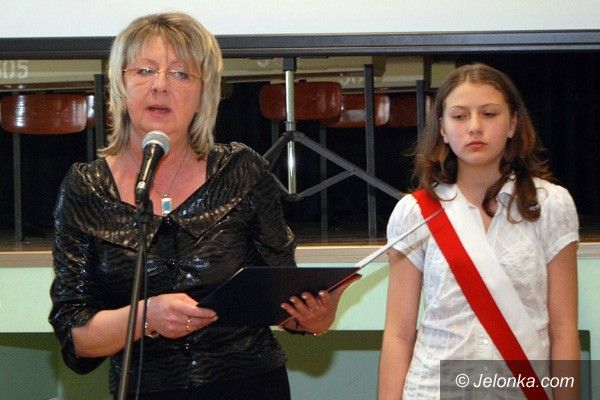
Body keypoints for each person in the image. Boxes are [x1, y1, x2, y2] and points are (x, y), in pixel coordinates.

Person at [49, 12, 355, 400]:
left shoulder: (240, 171)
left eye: (181, 74)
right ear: (120, 86)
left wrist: (315, 317)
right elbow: (75, 337)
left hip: (249, 386)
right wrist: (146, 316)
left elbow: (283, 300)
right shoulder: (86, 188)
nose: (160, 85)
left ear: (203, 94)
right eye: (144, 70)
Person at [378, 63, 580, 399]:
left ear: (512, 124)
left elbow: (563, 331)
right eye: (459, 116)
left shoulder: (551, 205)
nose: (474, 127)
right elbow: (398, 334)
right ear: (443, 129)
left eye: (489, 114)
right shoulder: (415, 212)